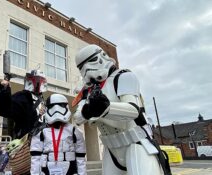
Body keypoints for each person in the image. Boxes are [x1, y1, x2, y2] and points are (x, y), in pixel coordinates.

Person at [73, 44, 171, 175]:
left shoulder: (122, 76)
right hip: (111, 149)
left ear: (102, 57)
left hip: (136, 144)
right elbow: (77, 118)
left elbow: (133, 110)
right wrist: (88, 111)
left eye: (90, 62)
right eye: (82, 68)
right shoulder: (87, 91)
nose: (87, 71)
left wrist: (107, 108)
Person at [30, 94, 86, 175]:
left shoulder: (74, 131)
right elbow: (35, 158)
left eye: (60, 105)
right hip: (47, 170)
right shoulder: (41, 131)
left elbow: (81, 159)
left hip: (70, 170)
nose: (56, 109)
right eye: (52, 106)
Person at [0, 69, 47, 139]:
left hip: (43, 140)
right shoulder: (22, 97)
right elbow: (5, 110)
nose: (37, 83)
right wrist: (4, 90)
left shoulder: (43, 101)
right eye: (35, 80)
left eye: (40, 80)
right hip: (26, 141)